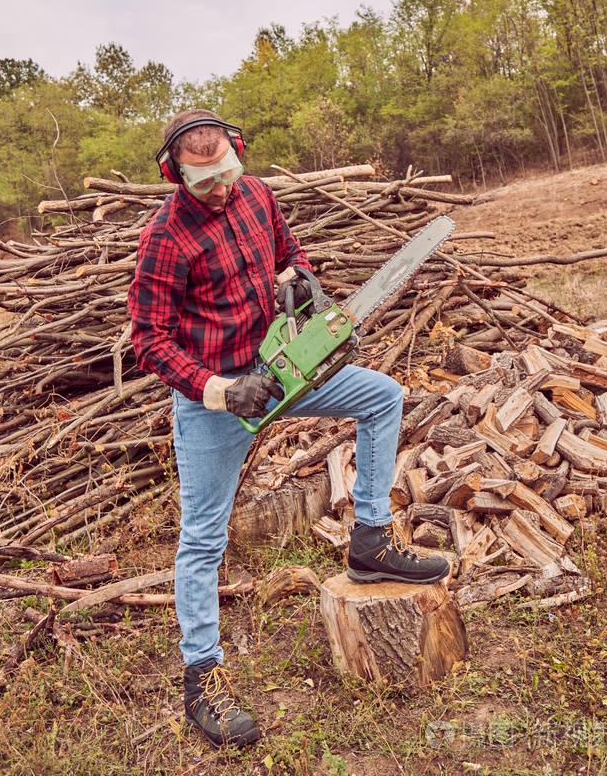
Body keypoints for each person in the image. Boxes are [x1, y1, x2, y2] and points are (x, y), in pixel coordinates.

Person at [128, 109, 450, 750]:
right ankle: (203, 679)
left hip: (283, 366)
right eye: (203, 182)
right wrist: (219, 390)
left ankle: (369, 541)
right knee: (201, 539)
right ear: (176, 175)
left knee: (384, 397)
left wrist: (295, 279)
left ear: (237, 155)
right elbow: (149, 342)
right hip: (216, 398)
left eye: (226, 172)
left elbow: (289, 254)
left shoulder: (256, 196)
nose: (220, 189)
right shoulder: (165, 238)